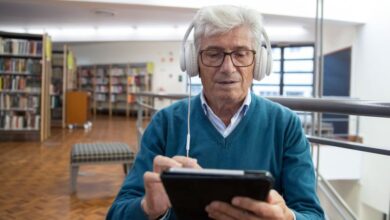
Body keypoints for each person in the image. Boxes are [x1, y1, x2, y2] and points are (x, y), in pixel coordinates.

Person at [107, 5, 324, 220]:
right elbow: (117, 214)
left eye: (240, 54)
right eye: (213, 54)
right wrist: (147, 208)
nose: (228, 67)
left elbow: (312, 214)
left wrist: (288, 218)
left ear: (257, 63)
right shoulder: (165, 123)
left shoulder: (285, 125)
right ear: (194, 63)